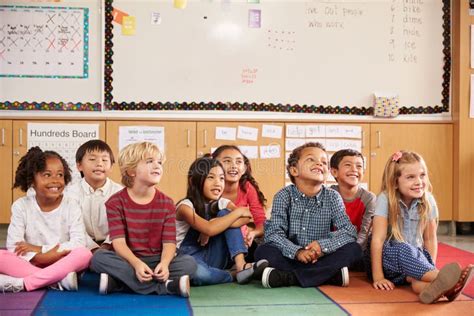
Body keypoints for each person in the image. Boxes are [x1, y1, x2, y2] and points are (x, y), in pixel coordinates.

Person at [90, 142, 196, 297]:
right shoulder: (115, 202)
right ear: (131, 171)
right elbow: (118, 243)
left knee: (190, 264)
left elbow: (169, 243)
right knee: (98, 258)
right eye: (149, 161)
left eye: (159, 162)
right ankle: (166, 287)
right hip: (128, 260)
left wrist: (165, 264)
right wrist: (137, 264)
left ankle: (119, 283)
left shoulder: (167, 203)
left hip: (157, 260)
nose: (157, 166)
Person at [369, 150, 473, 304]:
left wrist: (428, 267)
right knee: (404, 248)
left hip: (414, 262)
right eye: (411, 177)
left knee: (417, 279)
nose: (419, 182)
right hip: (389, 260)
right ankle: (447, 278)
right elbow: (378, 240)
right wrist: (378, 277)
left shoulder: (428, 200)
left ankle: (441, 290)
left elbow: (430, 239)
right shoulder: (385, 199)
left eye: (422, 175)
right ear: (395, 181)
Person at [255, 142, 362, 289]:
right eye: (311, 159)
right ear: (294, 170)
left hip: (320, 258)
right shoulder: (283, 195)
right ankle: (328, 276)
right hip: (289, 255)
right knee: (263, 251)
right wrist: (297, 252)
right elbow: (273, 234)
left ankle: (288, 278)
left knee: (354, 249)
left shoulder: (333, 197)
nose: (319, 163)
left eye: (324, 162)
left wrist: (322, 246)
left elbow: (349, 231)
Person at [0, 147, 92, 292]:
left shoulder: (71, 205)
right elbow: (13, 246)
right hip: (32, 263)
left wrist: (42, 251)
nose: (55, 180)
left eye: (60, 175)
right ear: (31, 180)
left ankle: (24, 283)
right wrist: (40, 258)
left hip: (62, 262)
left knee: (84, 254)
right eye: (47, 175)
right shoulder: (21, 206)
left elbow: (79, 242)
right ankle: (58, 281)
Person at [176, 157, 268, 286]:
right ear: (193, 181)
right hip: (190, 258)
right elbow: (209, 228)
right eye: (211, 177)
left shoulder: (222, 203)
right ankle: (233, 274)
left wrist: (216, 222)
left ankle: (241, 264)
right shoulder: (184, 207)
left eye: (221, 178)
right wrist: (234, 213)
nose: (217, 183)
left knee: (225, 213)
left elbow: (247, 216)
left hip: (215, 255)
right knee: (199, 274)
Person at [67, 140, 122, 251]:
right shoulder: (70, 193)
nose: (99, 163)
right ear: (79, 166)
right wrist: (92, 248)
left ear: (111, 166)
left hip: (113, 246)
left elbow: (121, 226)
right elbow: (73, 227)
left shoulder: (120, 193)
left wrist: (106, 246)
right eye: (92, 159)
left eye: (105, 160)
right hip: (80, 245)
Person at [330, 149, 375, 263]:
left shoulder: (369, 198)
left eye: (359, 166)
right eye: (348, 165)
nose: (354, 169)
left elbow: (364, 233)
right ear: (334, 172)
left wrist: (352, 249)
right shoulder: (327, 194)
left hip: (358, 248)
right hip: (331, 247)